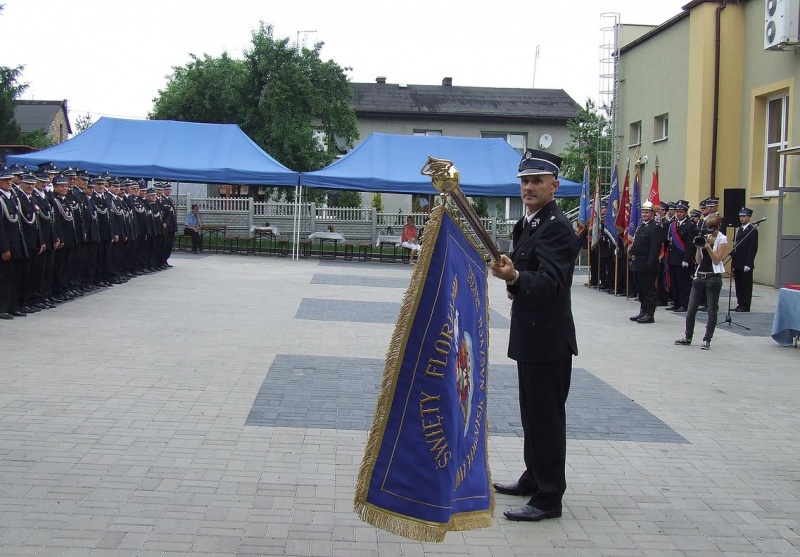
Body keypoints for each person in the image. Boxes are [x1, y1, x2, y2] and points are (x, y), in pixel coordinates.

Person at [490, 148, 578, 523]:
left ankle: (548, 498)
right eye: (525, 181)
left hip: (548, 339)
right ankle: (533, 477)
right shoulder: (528, 223)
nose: (529, 187)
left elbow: (552, 282)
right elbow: (527, 276)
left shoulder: (557, 226)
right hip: (530, 335)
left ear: (553, 186)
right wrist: (514, 280)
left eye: (537, 181)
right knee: (532, 415)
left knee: (546, 420)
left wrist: (515, 278)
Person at [674, 214, 728, 350]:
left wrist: (709, 247)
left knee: (711, 310)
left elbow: (716, 260)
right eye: (708, 227)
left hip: (713, 277)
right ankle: (688, 336)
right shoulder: (705, 238)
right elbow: (698, 261)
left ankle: (707, 339)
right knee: (691, 309)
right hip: (700, 276)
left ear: (718, 227)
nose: (710, 230)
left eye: (713, 228)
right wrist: (699, 247)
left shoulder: (722, 239)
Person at [628, 200, 666, 323]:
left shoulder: (655, 228)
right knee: (641, 290)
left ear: (652, 213)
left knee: (649, 290)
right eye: (643, 212)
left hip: (647, 265)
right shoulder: (642, 226)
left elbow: (654, 249)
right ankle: (642, 311)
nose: (644, 214)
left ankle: (650, 314)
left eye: (646, 212)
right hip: (637, 263)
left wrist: (650, 265)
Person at [731, 207, 758, 312]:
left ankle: (746, 305)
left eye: (744, 216)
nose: (742, 218)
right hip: (737, 261)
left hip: (745, 262)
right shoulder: (739, 229)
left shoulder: (752, 230)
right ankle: (740, 303)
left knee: (746, 284)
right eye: (740, 216)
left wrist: (748, 263)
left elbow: (752, 248)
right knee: (738, 284)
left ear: (749, 217)